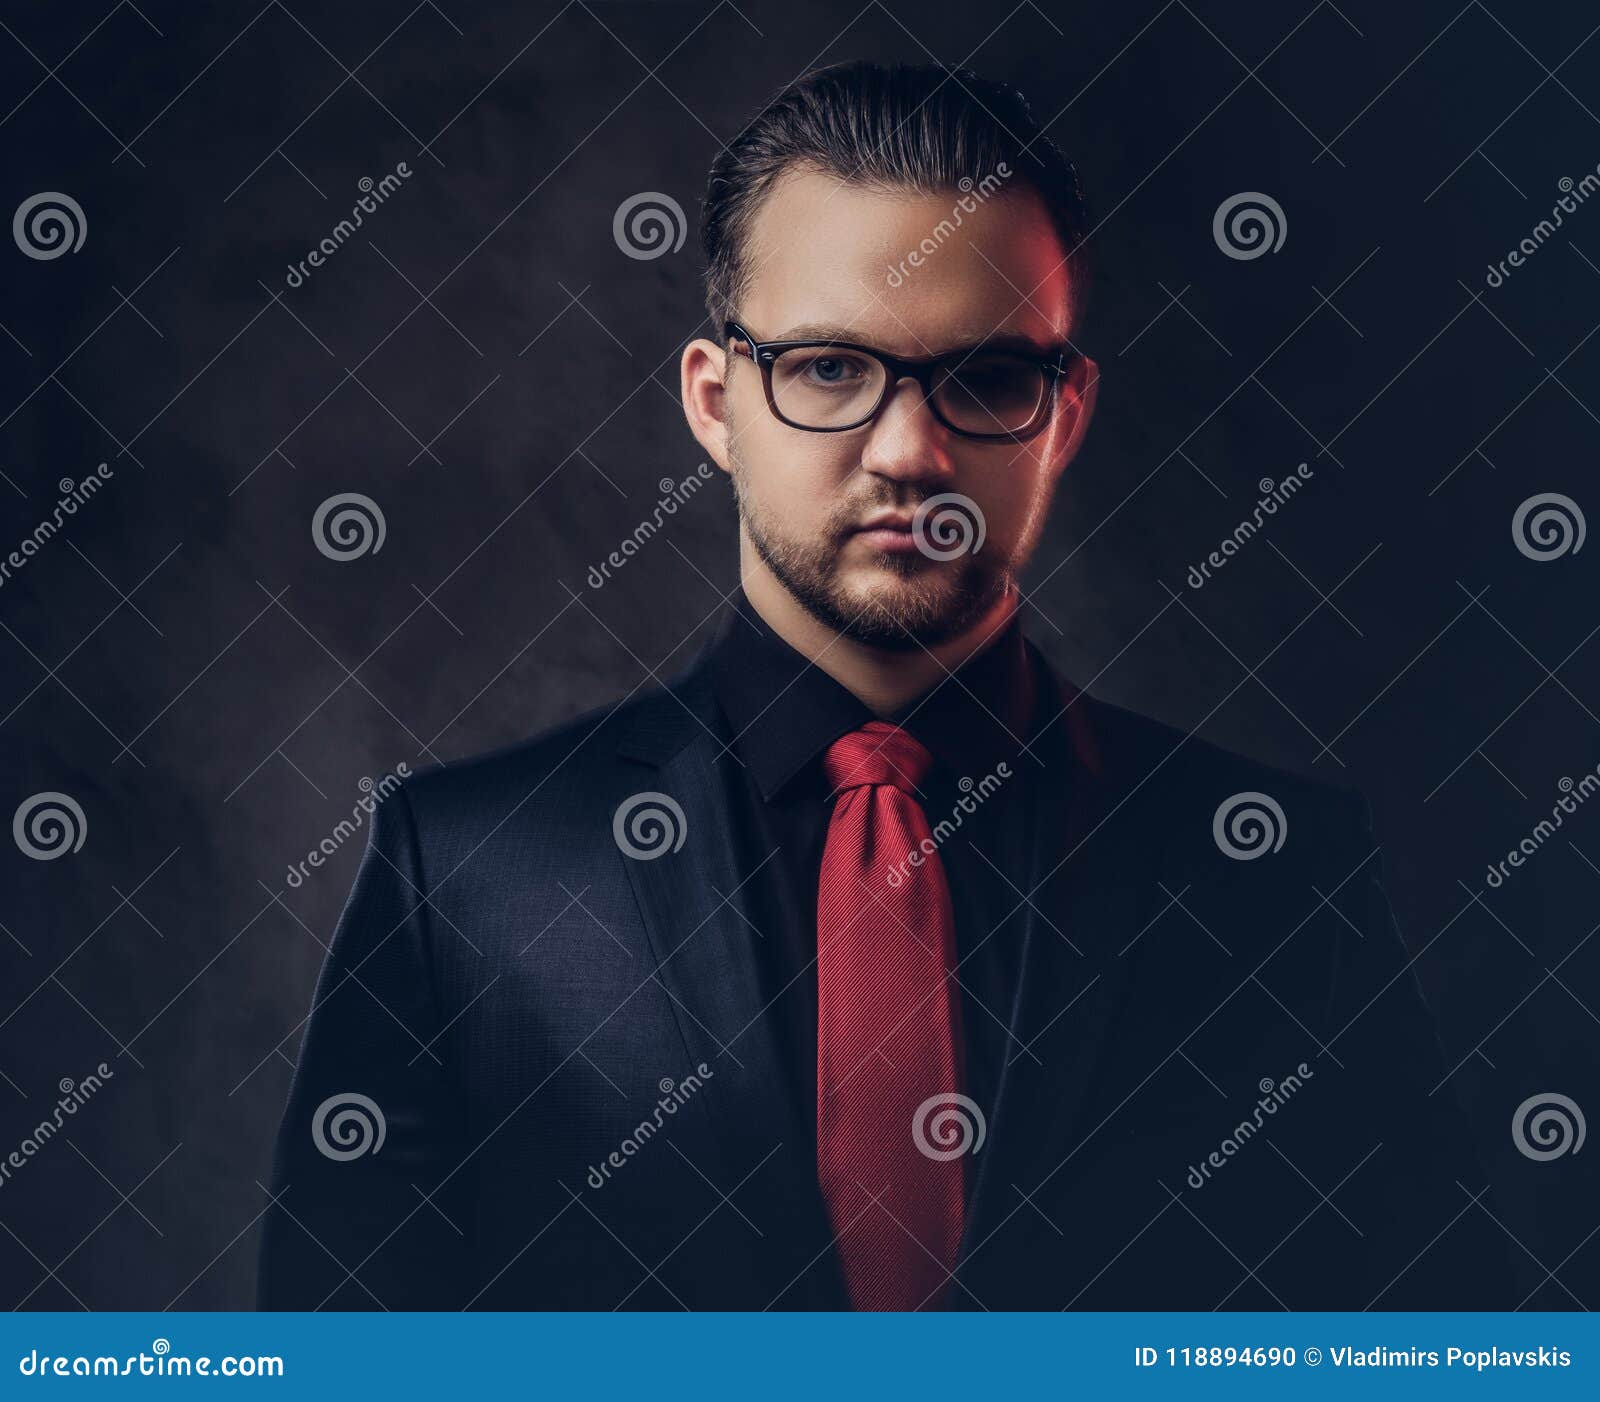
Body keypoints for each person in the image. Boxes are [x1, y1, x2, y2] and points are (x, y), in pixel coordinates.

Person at [259, 59, 1505, 1311]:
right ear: (716, 403)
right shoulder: (467, 874)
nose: (911, 451)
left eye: (988, 378)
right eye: (828, 369)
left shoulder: (1281, 874)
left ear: (1064, 415)